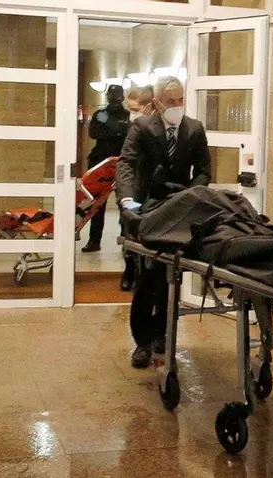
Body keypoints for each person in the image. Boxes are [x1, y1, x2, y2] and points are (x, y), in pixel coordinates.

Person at [116, 76, 212, 368]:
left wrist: (192, 196)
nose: (177, 105)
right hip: (146, 211)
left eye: (181, 99)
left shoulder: (194, 129)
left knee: (171, 279)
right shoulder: (142, 128)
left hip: (179, 211)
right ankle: (142, 342)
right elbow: (127, 164)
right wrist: (127, 201)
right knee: (147, 278)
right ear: (157, 103)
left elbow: (203, 170)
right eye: (171, 101)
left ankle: (162, 334)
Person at [82, 84, 131, 253]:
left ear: (122, 97)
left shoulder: (127, 115)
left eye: (117, 95)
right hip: (101, 162)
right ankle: (94, 241)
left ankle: (127, 240)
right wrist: (116, 131)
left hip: (121, 162)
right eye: (112, 95)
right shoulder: (101, 114)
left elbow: (128, 134)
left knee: (126, 202)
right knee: (97, 204)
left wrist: (113, 129)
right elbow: (94, 133)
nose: (115, 98)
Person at [119, 86, 155, 292]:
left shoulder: (158, 129)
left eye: (136, 109)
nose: (132, 113)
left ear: (149, 106)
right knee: (128, 233)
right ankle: (129, 272)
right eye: (130, 109)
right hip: (131, 188)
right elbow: (125, 161)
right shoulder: (130, 127)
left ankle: (144, 278)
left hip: (151, 188)